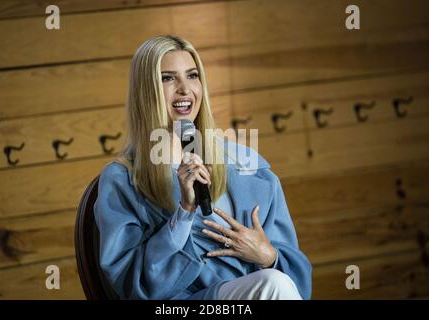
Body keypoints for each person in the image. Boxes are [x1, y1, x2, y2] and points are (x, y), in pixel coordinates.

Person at [93, 35, 312, 300]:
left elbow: (294, 277)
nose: (185, 89)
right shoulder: (123, 180)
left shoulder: (247, 165)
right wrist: (184, 212)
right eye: (168, 78)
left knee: (274, 281)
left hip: (259, 291)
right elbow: (131, 284)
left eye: (193, 76)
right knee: (272, 285)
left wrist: (268, 257)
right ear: (146, 90)